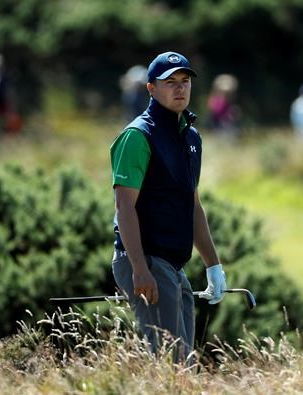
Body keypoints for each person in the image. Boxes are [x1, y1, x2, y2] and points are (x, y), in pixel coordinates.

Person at [109, 51, 227, 362]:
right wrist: (139, 269)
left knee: (183, 363)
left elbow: (193, 205)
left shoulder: (191, 137)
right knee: (168, 362)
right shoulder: (137, 136)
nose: (180, 88)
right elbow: (125, 208)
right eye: (170, 82)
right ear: (150, 88)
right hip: (145, 259)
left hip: (172, 264)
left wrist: (213, 265)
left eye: (185, 81)